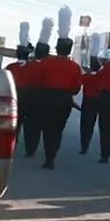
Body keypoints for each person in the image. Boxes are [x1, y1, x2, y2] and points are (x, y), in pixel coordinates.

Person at [35, 9, 84, 170]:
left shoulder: (46, 62)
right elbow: (77, 87)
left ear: (56, 48)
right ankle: (52, 155)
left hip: (46, 98)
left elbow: (38, 80)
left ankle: (48, 154)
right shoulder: (75, 66)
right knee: (58, 129)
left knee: (47, 127)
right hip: (64, 100)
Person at [6, 32, 41, 159]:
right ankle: (30, 149)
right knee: (31, 125)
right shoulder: (35, 67)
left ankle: (12, 146)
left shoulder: (10, 67)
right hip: (32, 98)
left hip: (15, 98)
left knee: (15, 125)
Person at [78, 35, 105, 155]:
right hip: (99, 101)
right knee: (96, 125)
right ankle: (98, 148)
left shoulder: (87, 76)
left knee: (85, 125)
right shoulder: (102, 76)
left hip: (87, 101)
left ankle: (84, 146)